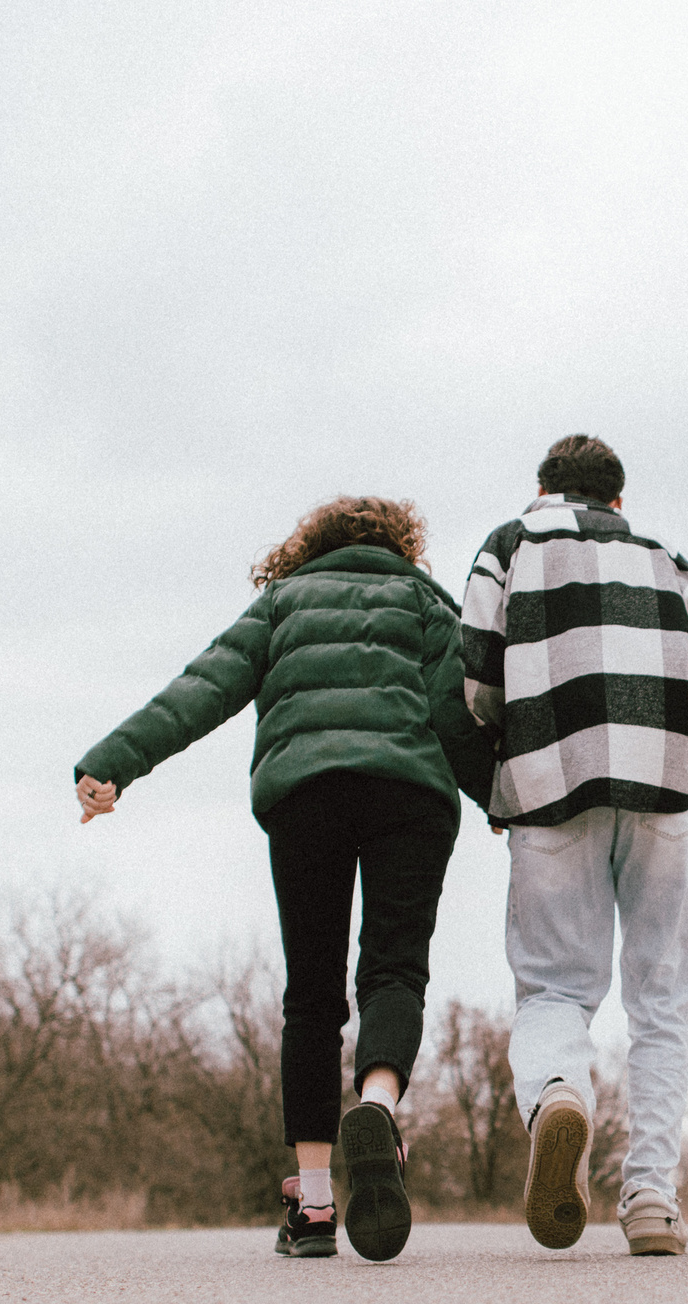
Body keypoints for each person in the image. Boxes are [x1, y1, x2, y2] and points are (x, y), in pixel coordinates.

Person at [74, 496, 488, 1263]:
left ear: (310, 546)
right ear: (399, 545)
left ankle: (316, 1204)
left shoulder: (281, 603)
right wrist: (501, 801)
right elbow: (456, 712)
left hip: (307, 796)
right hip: (410, 797)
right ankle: (378, 1105)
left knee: (312, 995)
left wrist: (113, 761)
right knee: (394, 970)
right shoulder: (424, 601)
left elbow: (201, 688)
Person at [460, 435, 688, 1256]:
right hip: (666, 792)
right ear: (617, 501)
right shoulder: (668, 560)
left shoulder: (510, 545)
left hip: (551, 788)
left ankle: (561, 1092)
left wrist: (496, 784)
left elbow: (474, 680)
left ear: (544, 489)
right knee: (662, 1003)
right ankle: (652, 1199)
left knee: (554, 988)